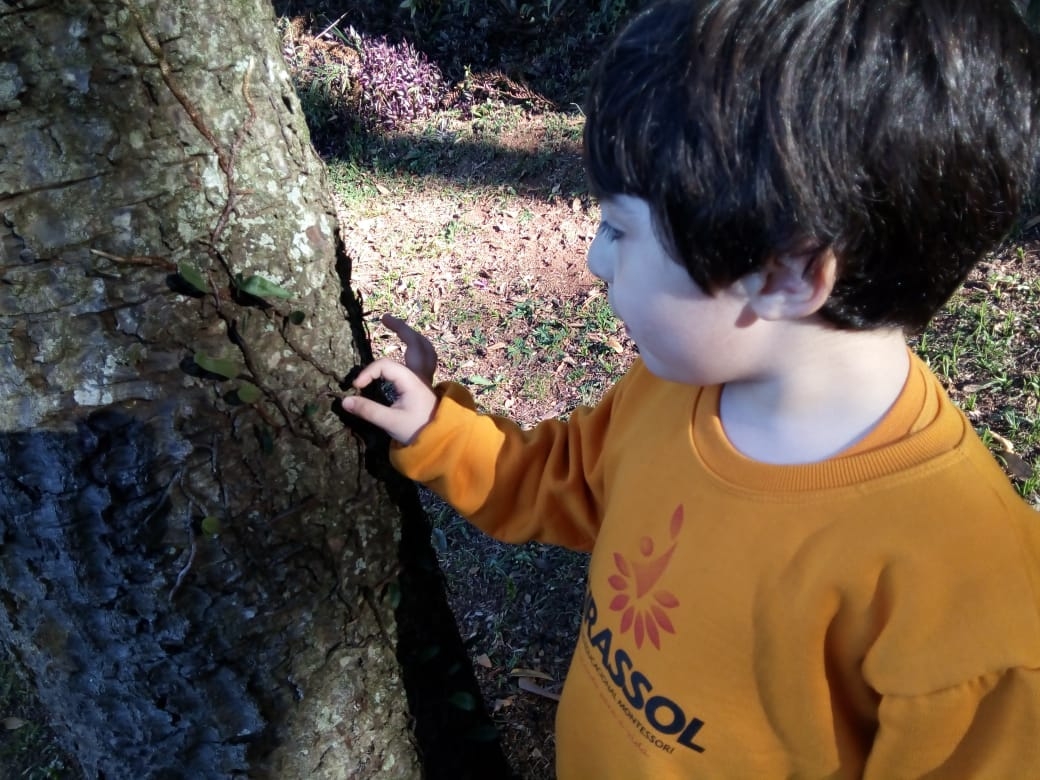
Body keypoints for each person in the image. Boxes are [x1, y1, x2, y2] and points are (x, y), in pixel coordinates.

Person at [341, 0, 1040, 775]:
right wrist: (440, 433)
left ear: (786, 275)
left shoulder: (971, 603)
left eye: (619, 229)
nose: (596, 260)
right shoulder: (677, 389)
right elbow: (564, 480)